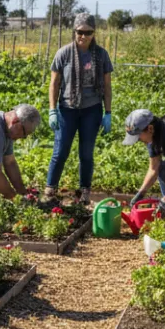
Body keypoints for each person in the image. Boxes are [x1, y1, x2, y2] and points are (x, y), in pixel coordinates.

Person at [46, 13, 113, 202]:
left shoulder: (101, 55)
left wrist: (108, 113)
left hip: (92, 109)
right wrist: (52, 110)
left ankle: (85, 191)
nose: (83, 36)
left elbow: (107, 86)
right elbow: (54, 84)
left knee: (86, 152)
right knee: (60, 151)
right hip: (67, 109)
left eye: (88, 32)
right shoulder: (64, 53)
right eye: (80, 32)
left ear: (94, 33)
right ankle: (50, 189)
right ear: (74, 31)